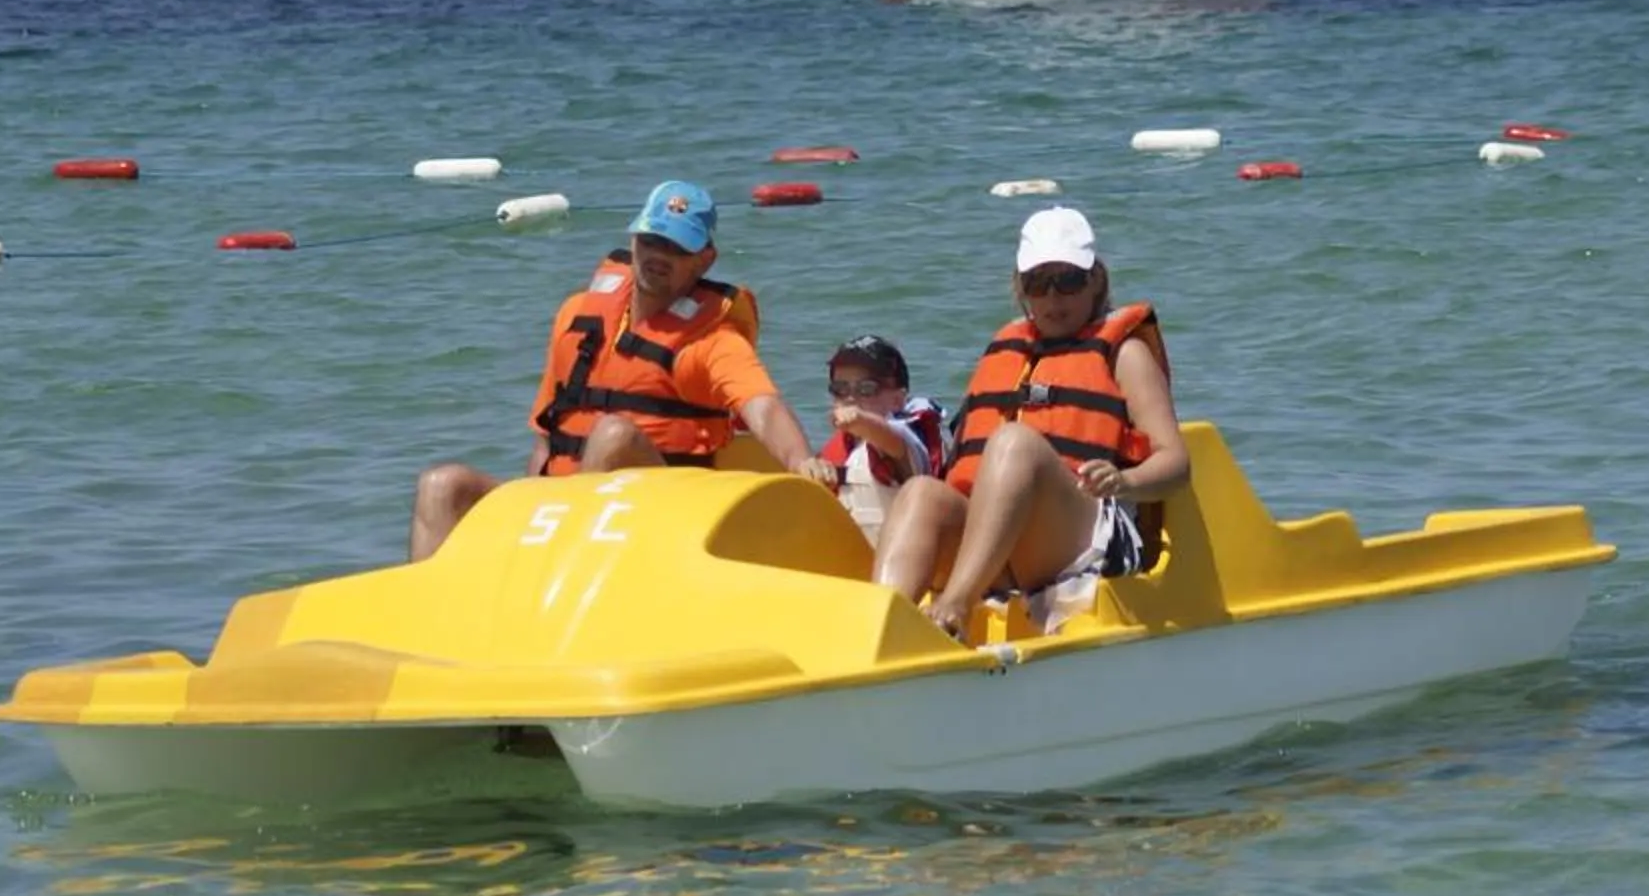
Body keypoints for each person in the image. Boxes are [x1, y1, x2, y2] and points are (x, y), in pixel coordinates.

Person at [408, 178, 835, 557]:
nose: (658, 256)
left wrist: (802, 461)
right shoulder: (577, 316)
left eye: (676, 249)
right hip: (561, 509)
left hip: (660, 510)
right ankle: (428, 607)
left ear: (704, 260)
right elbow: (548, 434)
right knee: (442, 485)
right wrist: (536, 504)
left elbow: (762, 406)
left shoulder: (711, 341)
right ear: (633, 241)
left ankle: (566, 571)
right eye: (651, 240)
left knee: (614, 436)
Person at [871, 206, 1190, 638]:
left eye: (1069, 280)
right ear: (1020, 287)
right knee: (921, 493)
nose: (1054, 299)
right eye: (1039, 284)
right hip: (1000, 548)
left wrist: (1124, 481)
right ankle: (880, 630)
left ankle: (956, 608)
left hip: (1085, 541)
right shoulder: (1009, 349)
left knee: (1014, 443)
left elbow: (1176, 463)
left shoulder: (1125, 354)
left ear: (1096, 280)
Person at [819, 335, 949, 539]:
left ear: (898, 400)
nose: (850, 398)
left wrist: (861, 421)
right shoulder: (842, 447)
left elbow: (892, 441)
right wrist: (813, 469)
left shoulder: (907, 435)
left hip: (904, 552)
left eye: (866, 389)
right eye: (840, 389)